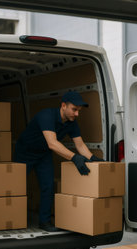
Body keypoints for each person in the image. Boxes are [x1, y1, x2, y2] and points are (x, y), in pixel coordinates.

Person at [14, 91, 104, 232]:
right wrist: (74, 158)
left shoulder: (72, 122)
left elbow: (80, 145)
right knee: (15, 186)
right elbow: (52, 143)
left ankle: (44, 222)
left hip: (43, 154)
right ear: (63, 105)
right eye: (74, 110)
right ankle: (12, 218)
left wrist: (92, 159)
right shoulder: (46, 116)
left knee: (48, 186)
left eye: (78, 111)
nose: (77, 114)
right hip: (25, 152)